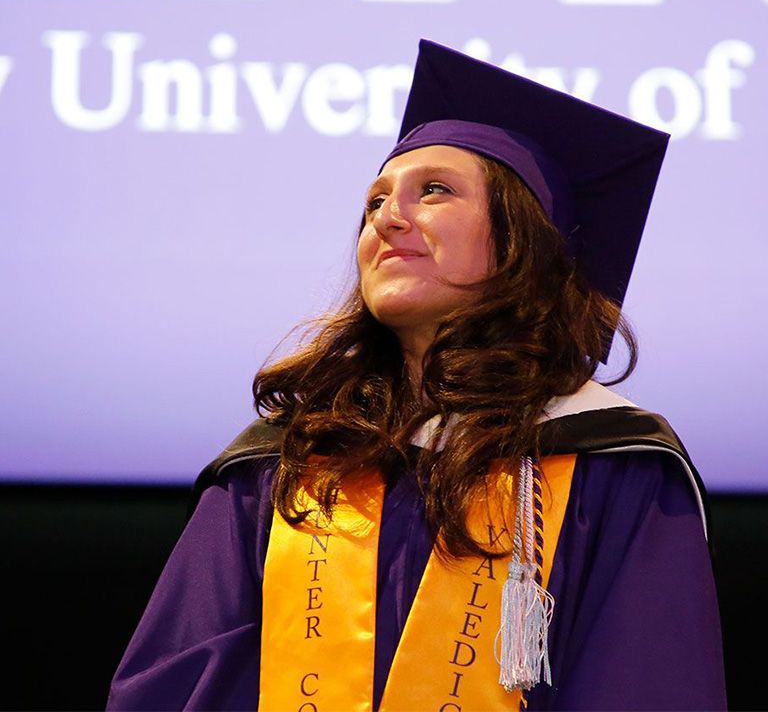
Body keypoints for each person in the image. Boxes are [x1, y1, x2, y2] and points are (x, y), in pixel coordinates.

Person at [107, 40, 726, 711]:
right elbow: (172, 687)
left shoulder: (613, 466)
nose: (387, 219)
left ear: (523, 239)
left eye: (434, 191)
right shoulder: (282, 466)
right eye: (374, 203)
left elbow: (648, 686)